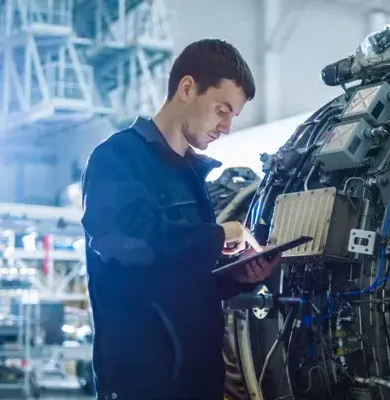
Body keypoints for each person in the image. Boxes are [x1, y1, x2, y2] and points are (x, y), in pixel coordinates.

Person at [80, 39, 279, 399]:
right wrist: (218, 235)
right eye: (222, 110)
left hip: (199, 382)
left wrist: (238, 276)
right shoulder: (117, 158)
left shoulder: (190, 175)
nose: (226, 127)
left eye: (232, 117)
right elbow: (127, 244)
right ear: (187, 88)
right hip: (142, 384)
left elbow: (184, 277)